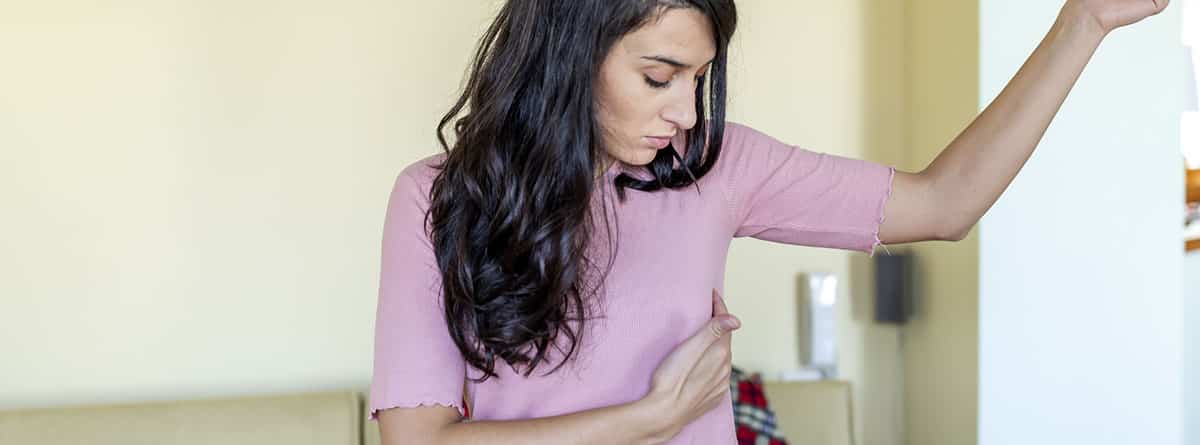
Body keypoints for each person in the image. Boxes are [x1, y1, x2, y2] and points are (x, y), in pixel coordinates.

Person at [369, 0, 1168, 443]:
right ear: (570, 53)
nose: (686, 112)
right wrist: (653, 416)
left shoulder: (718, 166)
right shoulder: (435, 199)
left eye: (699, 78)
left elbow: (945, 202)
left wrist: (1084, 22)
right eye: (658, 76)